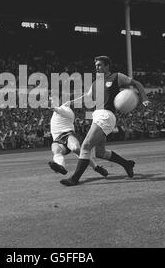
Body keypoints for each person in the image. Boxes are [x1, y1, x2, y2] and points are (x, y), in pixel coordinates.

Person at [60, 55, 150, 186]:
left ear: (107, 66)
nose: (97, 67)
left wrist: (144, 98)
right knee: (100, 153)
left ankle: (74, 179)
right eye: (96, 65)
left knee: (85, 146)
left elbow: (136, 83)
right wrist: (69, 102)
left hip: (106, 116)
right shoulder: (96, 83)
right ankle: (127, 164)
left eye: (100, 65)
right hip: (98, 115)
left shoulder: (116, 77)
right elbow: (87, 97)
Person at [48, 96, 108, 177]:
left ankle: (96, 167)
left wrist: (54, 107)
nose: (51, 101)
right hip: (57, 139)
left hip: (67, 134)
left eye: (53, 99)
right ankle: (60, 166)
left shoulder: (66, 110)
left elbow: (61, 111)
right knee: (56, 150)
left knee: (76, 149)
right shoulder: (56, 113)